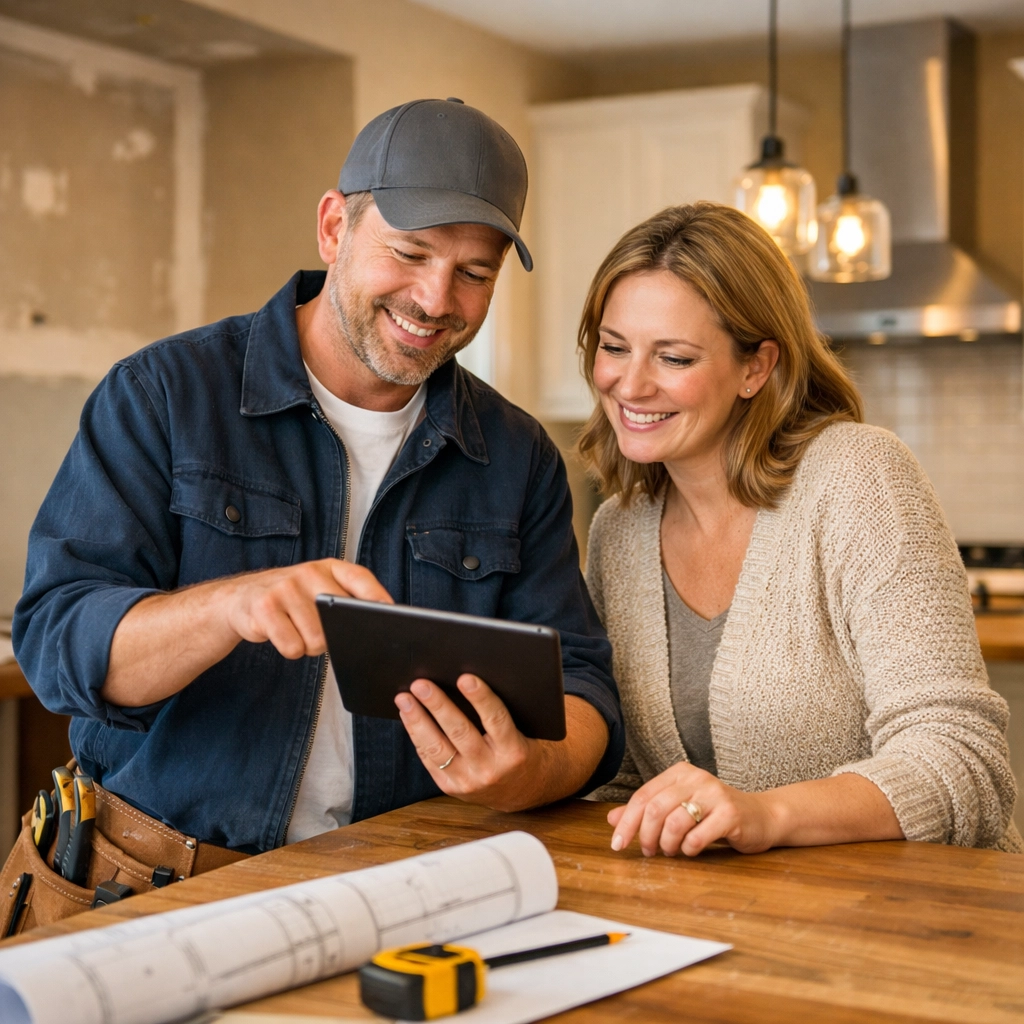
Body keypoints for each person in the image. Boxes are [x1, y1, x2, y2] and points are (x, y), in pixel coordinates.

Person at [13, 99, 623, 855]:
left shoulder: (516, 454)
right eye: (409, 253)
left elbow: (585, 688)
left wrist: (526, 774)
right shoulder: (164, 394)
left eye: (474, 272)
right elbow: (58, 645)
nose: (436, 300)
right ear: (335, 227)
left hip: (397, 880)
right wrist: (229, 607)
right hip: (154, 881)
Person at [579, 202, 1021, 858]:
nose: (630, 383)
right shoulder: (619, 531)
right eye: (613, 348)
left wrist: (764, 815)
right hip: (743, 930)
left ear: (756, 367)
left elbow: (966, 761)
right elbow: (624, 781)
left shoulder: (857, 477)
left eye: (672, 357)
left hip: (917, 921)